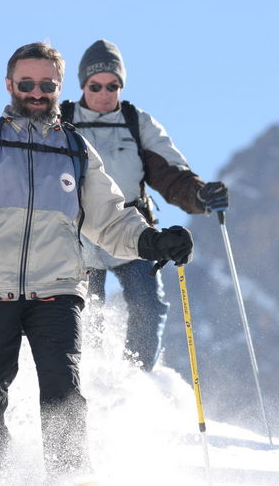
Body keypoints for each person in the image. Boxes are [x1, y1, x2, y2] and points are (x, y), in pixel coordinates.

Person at [0, 42, 194, 483]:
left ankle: (68, 476)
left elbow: (110, 216)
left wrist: (151, 241)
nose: (36, 93)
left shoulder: (75, 149)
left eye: (46, 85)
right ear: (9, 85)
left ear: (59, 88)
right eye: (27, 84)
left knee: (64, 394)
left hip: (56, 287)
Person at [60, 39, 228, 371]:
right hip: (79, 234)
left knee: (148, 306)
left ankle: (134, 379)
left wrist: (199, 195)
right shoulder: (63, 120)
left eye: (113, 85)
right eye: (96, 86)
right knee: (81, 312)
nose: (105, 93)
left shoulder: (137, 124)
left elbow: (171, 174)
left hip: (131, 230)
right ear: (83, 85)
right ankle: (84, 378)